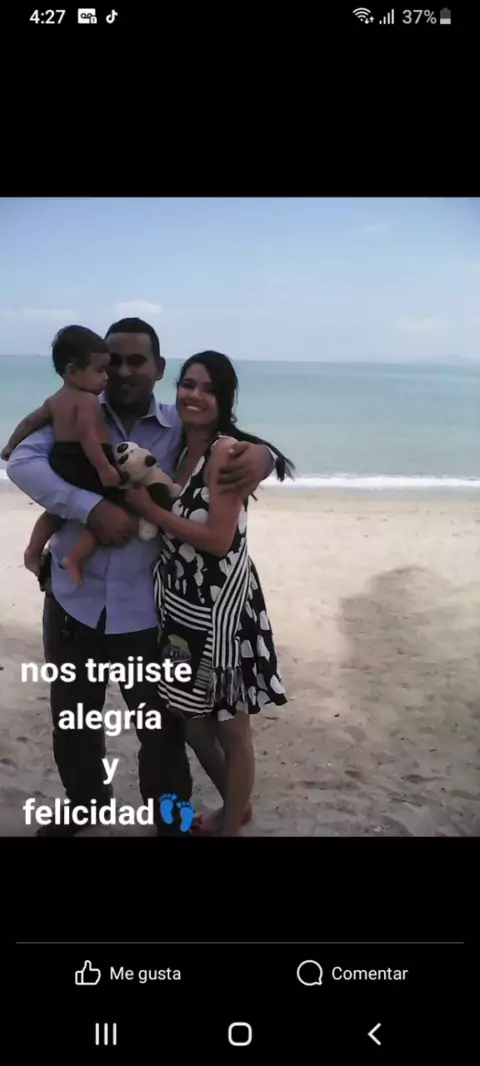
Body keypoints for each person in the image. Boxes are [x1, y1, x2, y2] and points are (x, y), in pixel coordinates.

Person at [7, 318, 276, 837]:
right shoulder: (76, 410)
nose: (125, 371)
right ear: (100, 366)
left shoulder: (180, 425)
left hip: (149, 611)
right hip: (73, 598)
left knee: (162, 731)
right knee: (74, 719)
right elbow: (22, 461)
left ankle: (169, 819)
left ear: (158, 368)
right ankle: (86, 805)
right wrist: (90, 508)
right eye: (115, 361)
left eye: (138, 361)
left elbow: (232, 445)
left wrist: (261, 458)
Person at [125, 351, 293, 836]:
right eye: (188, 384)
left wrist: (151, 513)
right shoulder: (178, 448)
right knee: (194, 723)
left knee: (231, 730)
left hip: (223, 613)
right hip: (182, 611)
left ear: (225, 399)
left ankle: (230, 825)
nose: (194, 395)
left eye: (208, 388)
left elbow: (219, 540)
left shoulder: (225, 452)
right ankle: (236, 806)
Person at [1, 325, 134, 588]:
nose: (106, 377)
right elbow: (87, 436)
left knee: (56, 511)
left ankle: (33, 550)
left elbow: (29, 422)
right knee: (113, 504)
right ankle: (75, 558)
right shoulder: (88, 400)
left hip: (61, 457)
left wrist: (10, 446)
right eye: (99, 370)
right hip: (86, 458)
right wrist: (104, 467)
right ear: (72, 371)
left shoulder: (54, 400)